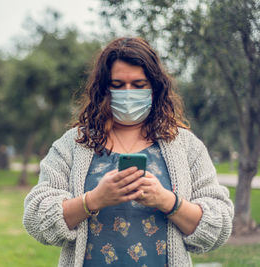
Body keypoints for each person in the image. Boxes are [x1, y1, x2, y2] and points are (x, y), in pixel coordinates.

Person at [23, 37, 234, 267]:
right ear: (104, 88)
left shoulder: (186, 146)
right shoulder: (73, 144)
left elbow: (219, 224)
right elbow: (36, 217)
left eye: (138, 84)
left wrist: (167, 201)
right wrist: (93, 200)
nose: (128, 92)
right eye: (118, 84)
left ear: (154, 87)